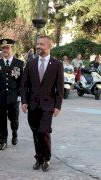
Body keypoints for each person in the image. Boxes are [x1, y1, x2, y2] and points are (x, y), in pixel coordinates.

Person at [21, 35, 64, 172]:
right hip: (33, 105)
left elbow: (60, 87)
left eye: (41, 44)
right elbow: (24, 84)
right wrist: (24, 101)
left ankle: (46, 158)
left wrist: (57, 106)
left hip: (48, 105)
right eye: (37, 44)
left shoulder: (57, 65)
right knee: (35, 131)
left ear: (49, 46)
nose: (38, 46)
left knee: (44, 131)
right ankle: (38, 158)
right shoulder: (31, 63)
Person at [0, 39, 24, 150]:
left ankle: (14, 132)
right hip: (1, 96)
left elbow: (21, 81)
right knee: (1, 119)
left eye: (7, 48)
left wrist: (21, 95)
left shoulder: (19, 63)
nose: (5, 50)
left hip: (13, 96)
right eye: (3, 48)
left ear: (12, 49)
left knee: (13, 118)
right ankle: (3, 141)